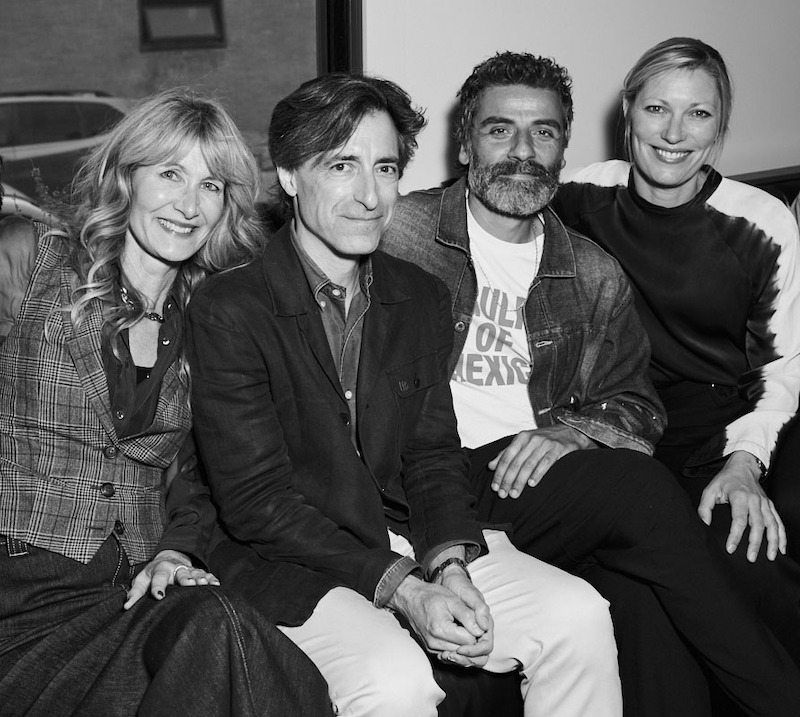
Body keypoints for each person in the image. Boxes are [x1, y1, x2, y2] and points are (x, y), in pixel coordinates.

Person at [186, 73, 624, 717]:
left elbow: (433, 456)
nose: (369, 196)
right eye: (342, 166)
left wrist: (448, 565)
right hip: (292, 557)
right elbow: (256, 506)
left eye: (385, 167)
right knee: (394, 680)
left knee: (579, 616)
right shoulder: (230, 308)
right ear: (287, 176)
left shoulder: (419, 295)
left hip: (404, 534)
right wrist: (405, 591)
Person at [381, 51, 800, 717]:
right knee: (639, 489)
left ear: (563, 148)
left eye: (543, 132)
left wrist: (572, 432)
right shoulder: (398, 231)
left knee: (641, 600)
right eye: (499, 130)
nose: (522, 151)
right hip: (426, 480)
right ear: (464, 143)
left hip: (524, 483)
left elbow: (637, 403)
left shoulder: (590, 268)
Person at [0, 88, 332, 716]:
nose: (188, 204)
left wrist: (178, 551)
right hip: (18, 592)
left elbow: (197, 475)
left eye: (210, 186)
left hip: (129, 593)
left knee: (221, 628)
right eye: (171, 174)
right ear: (126, 178)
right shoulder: (30, 259)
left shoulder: (214, 321)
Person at [554, 36, 800, 669]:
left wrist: (746, 462)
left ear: (719, 127)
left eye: (698, 113)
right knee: (658, 583)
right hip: (624, 430)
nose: (674, 132)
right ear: (627, 113)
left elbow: (778, 369)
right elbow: (482, 203)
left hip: (729, 426)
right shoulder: (578, 197)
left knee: (749, 565)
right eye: (657, 108)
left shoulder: (760, 221)